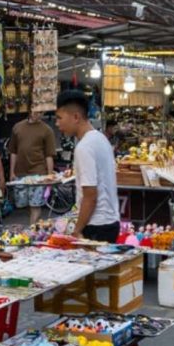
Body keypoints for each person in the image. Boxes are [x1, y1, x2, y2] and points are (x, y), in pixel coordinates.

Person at [56, 91, 120, 243]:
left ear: (76, 117)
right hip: (110, 222)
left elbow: (90, 195)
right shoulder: (100, 138)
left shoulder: (84, 147)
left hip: (96, 226)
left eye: (60, 118)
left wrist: (77, 230)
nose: (57, 124)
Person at [8, 110, 58, 224]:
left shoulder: (47, 130)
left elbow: (49, 155)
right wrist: (12, 172)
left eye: (41, 112)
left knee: (36, 205)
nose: (38, 114)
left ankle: (31, 231)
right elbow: (13, 152)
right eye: (36, 111)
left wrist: (49, 176)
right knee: (24, 204)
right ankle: (34, 228)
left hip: (38, 173)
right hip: (20, 173)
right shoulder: (17, 128)